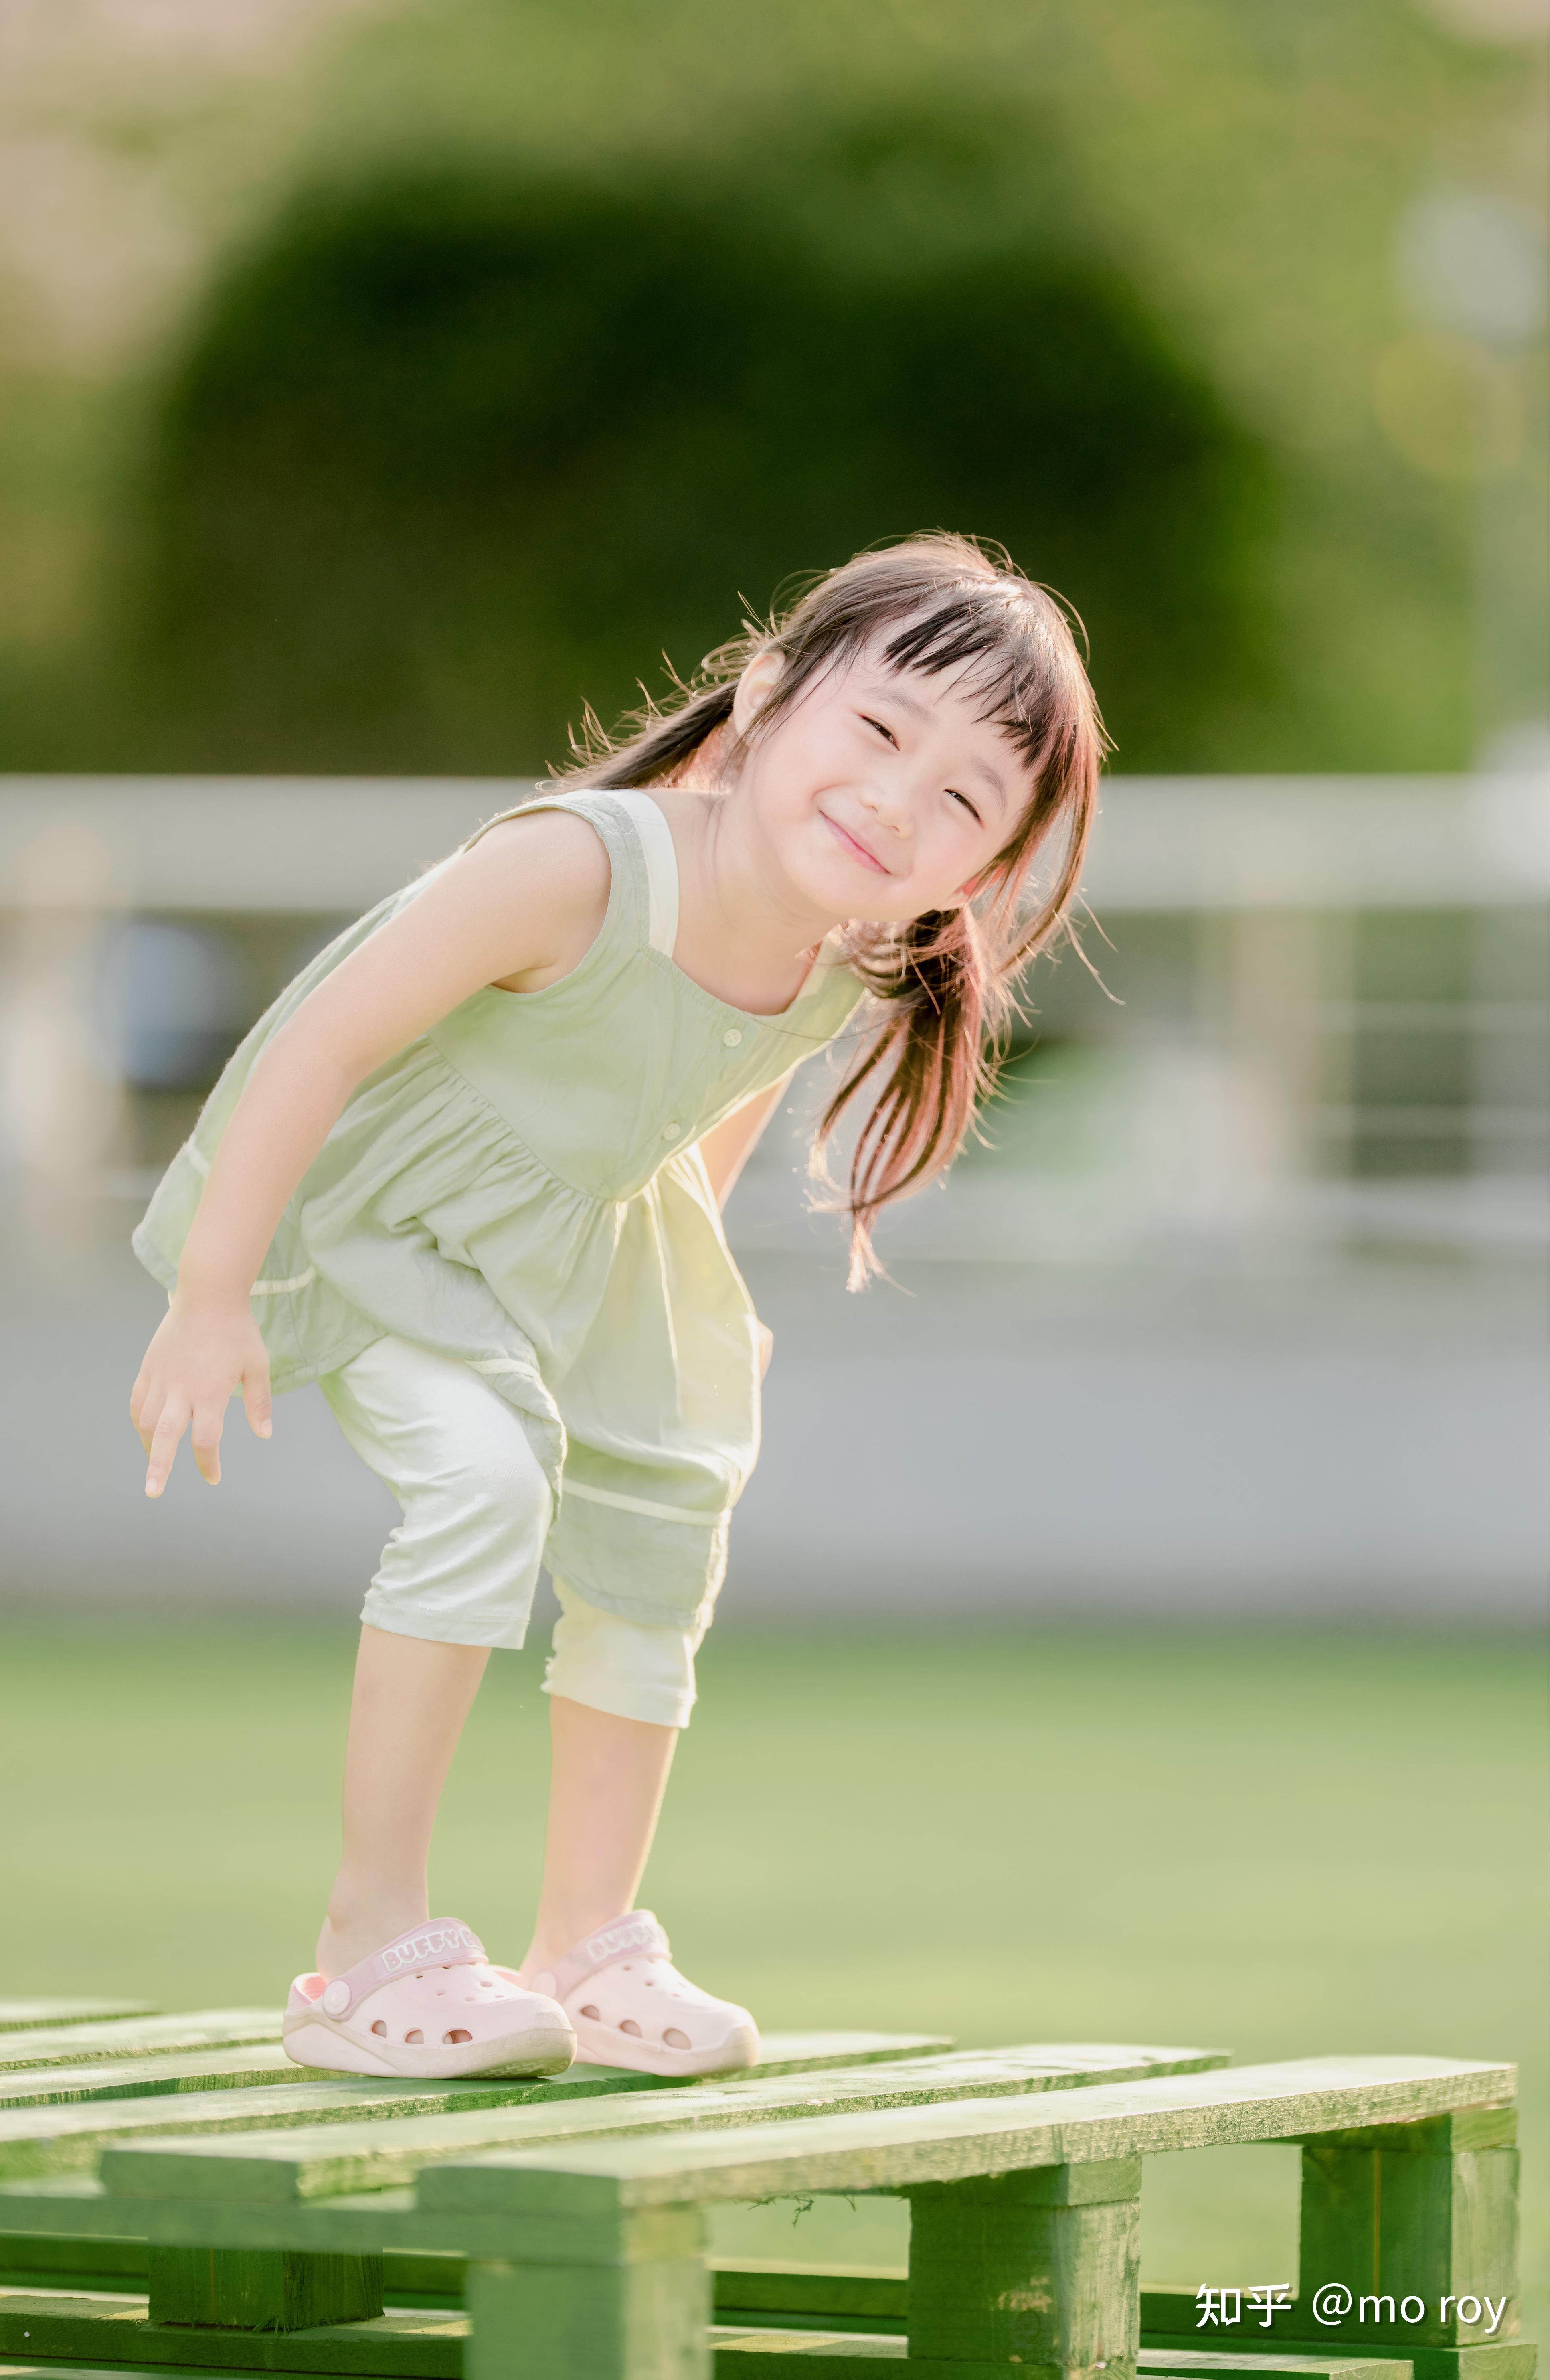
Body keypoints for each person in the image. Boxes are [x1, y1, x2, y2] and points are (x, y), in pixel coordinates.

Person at [128, 532, 1104, 2084]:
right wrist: (210, 1288)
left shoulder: (838, 958)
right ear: (769, 696)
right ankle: (361, 1948)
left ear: (982, 869)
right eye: (877, 731)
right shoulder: (577, 866)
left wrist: (692, 1289)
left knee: (665, 1520)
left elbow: (702, 1099)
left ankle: (586, 1944)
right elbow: (319, 1040)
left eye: (965, 799)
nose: (896, 801)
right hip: (391, 1218)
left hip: (584, 1243)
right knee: (483, 1484)